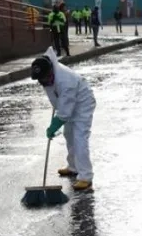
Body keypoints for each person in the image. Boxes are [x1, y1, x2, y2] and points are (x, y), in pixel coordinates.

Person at [30, 47, 96, 191]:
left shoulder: (66, 81)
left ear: (50, 72)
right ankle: (73, 167)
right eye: (40, 80)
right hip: (69, 102)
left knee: (79, 138)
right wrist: (57, 120)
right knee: (68, 134)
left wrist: (54, 125)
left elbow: (65, 111)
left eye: (43, 78)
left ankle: (86, 176)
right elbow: (58, 102)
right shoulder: (46, 77)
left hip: (82, 103)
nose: (42, 82)